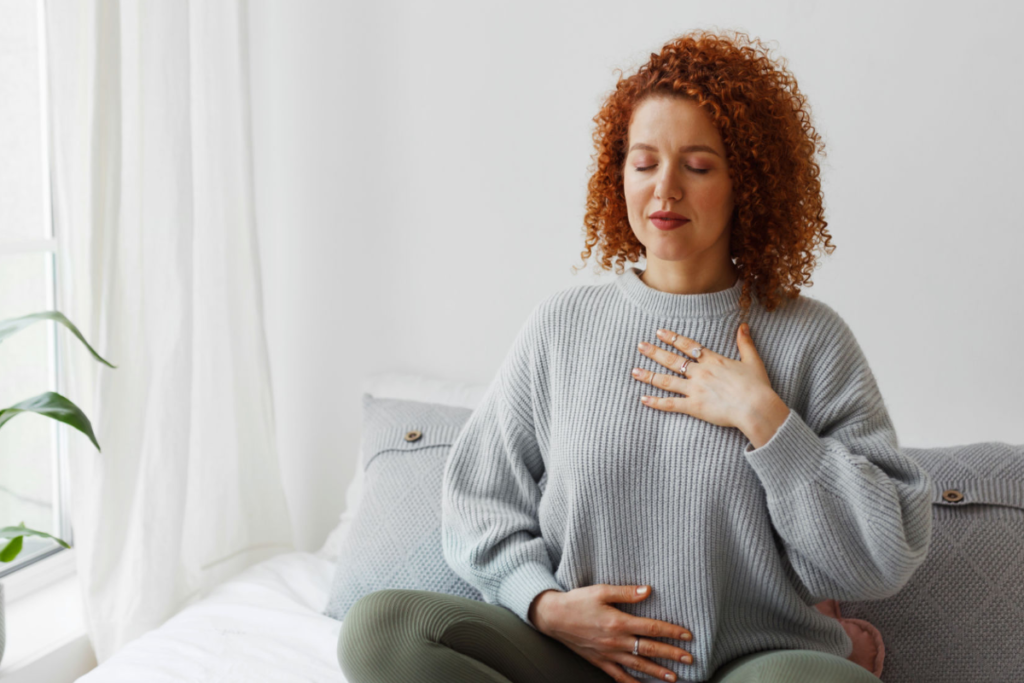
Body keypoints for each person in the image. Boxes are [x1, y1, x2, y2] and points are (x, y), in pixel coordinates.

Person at [337, 28, 932, 683]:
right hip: (578, 661)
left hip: (748, 664)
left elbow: (885, 552)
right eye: (644, 162)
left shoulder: (811, 339)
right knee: (384, 629)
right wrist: (544, 604)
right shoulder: (562, 327)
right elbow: (480, 496)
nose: (665, 190)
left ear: (747, 181)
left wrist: (767, 420)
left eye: (698, 165)